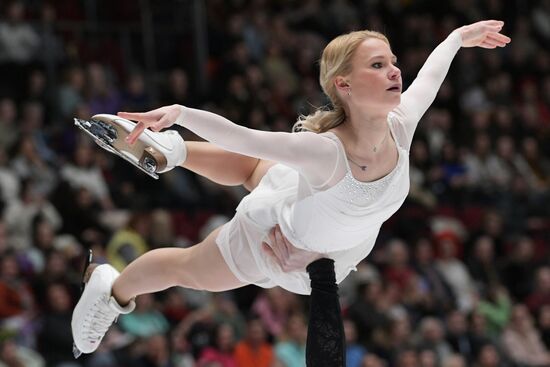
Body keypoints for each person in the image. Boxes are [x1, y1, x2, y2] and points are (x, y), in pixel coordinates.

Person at [71, 20, 510, 367]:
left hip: (317, 234)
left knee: (259, 173)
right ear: (344, 85)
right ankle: (110, 287)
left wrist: (457, 37)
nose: (395, 70)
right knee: (188, 267)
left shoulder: (402, 124)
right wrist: (180, 112)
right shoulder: (325, 151)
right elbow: (243, 137)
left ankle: (177, 152)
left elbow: (430, 77)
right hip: (278, 239)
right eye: (377, 65)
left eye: (392, 61)